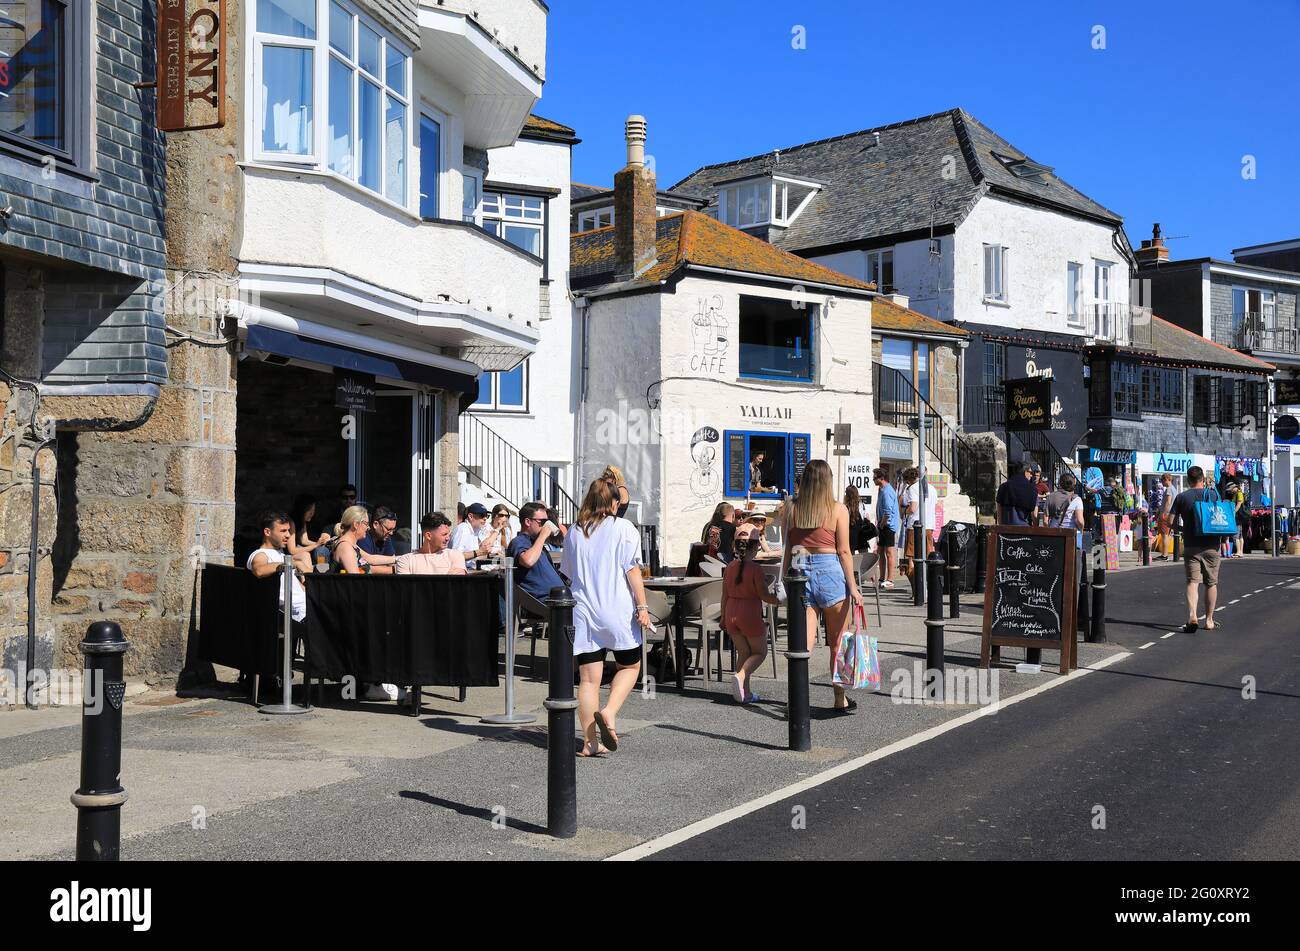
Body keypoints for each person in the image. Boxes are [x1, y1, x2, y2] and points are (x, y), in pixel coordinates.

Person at [561, 479, 652, 757]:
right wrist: (643, 607)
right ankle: (610, 711)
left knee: (588, 680)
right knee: (630, 667)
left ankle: (589, 743)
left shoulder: (575, 531)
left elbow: (568, 574)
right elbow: (632, 570)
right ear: (614, 503)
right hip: (617, 609)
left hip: (583, 611)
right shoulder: (623, 528)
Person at [782, 459, 863, 713]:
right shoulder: (838, 509)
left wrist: (785, 578)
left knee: (804, 644)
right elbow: (844, 551)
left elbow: (788, 547)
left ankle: (797, 699)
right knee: (837, 642)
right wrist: (853, 586)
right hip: (830, 571)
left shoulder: (793, 509)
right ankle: (840, 698)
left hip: (800, 569)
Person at [720, 523, 780, 704]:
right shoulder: (755, 570)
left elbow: (724, 595)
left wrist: (723, 617)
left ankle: (744, 692)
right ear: (755, 547)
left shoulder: (729, 567)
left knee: (744, 653)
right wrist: (780, 600)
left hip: (731, 611)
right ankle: (741, 676)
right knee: (760, 653)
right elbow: (764, 595)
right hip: (749, 613)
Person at [1169, 465, 1221, 634]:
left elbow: (1170, 521)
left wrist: (1183, 530)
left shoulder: (1182, 497)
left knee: (1192, 582)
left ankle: (1192, 615)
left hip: (1191, 545)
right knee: (1211, 583)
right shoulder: (1213, 495)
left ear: (1189, 480)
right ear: (1202, 479)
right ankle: (1209, 620)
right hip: (1212, 545)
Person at [247, 511, 307, 624]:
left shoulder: (281, 555)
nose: (288, 535)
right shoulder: (260, 554)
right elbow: (259, 570)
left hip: (307, 607)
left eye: (288, 530)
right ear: (267, 532)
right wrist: (291, 564)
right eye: (283, 531)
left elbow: (298, 588)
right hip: (296, 615)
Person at [331, 505, 397, 575]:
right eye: (366, 524)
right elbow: (356, 580)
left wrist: (399, 559)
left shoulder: (351, 545)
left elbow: (370, 558)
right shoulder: (346, 547)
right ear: (356, 524)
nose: (368, 528)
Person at [395, 512, 467, 575]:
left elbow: (455, 584)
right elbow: (406, 588)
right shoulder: (406, 560)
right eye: (444, 534)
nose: (448, 538)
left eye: (448, 534)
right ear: (428, 536)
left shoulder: (455, 555)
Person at [287, 494, 331, 574]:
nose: (312, 514)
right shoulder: (291, 522)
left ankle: (321, 573)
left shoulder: (302, 520)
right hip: (286, 555)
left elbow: (304, 540)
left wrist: (321, 543)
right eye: (310, 511)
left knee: (320, 550)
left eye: (313, 510)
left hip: (298, 552)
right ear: (302, 509)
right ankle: (309, 581)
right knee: (305, 555)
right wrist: (315, 545)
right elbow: (292, 550)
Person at [873, 469, 900, 588]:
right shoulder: (881, 489)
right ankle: (882, 578)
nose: (873, 480)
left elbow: (888, 512)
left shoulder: (887, 491)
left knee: (889, 552)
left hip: (888, 526)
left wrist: (882, 524)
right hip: (883, 525)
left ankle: (890, 579)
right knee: (880, 551)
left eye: (875, 478)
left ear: (881, 478)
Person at [996, 460, 1040, 526]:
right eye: (1030, 472)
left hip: (1006, 531)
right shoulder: (1032, 489)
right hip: (1024, 531)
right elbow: (1034, 515)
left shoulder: (1003, 487)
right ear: (1025, 472)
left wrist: (1001, 527)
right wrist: (1036, 528)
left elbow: (999, 511)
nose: (1031, 475)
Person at [357, 505, 399, 574]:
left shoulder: (385, 537)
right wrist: (395, 569)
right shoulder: (363, 538)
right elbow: (366, 567)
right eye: (389, 529)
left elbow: (392, 562)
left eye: (393, 529)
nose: (391, 533)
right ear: (376, 524)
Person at [844, 485, 878, 553]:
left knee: (851, 556)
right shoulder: (861, 505)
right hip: (861, 534)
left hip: (851, 535)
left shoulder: (846, 507)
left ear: (847, 495)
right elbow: (867, 517)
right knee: (864, 556)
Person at [1150, 474, 1175, 560]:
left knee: (1164, 535)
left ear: (1167, 479)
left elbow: (1168, 502)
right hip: (1170, 514)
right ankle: (1165, 554)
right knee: (1166, 535)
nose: (1161, 482)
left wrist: (1163, 513)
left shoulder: (1169, 489)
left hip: (1166, 514)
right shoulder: (1173, 489)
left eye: (1162, 480)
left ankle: (1164, 555)